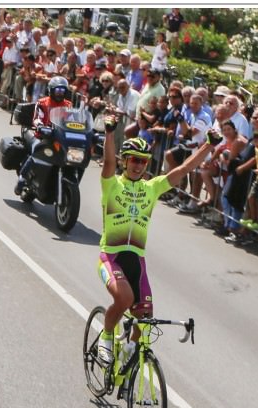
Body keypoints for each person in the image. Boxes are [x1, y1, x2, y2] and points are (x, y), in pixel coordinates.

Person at [95, 116, 221, 365]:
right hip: (111, 257)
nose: (138, 166)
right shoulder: (112, 186)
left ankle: (129, 351)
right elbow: (108, 162)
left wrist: (208, 145)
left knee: (146, 319)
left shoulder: (151, 188)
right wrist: (110, 132)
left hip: (137, 261)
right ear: (125, 161)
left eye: (143, 162)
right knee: (124, 300)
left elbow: (183, 170)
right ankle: (106, 336)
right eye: (134, 160)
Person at [15, 76, 72, 195]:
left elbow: (72, 120)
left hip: (60, 138)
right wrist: (40, 125)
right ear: (51, 90)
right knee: (37, 150)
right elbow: (37, 118)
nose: (60, 93)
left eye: (62, 90)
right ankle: (22, 178)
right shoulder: (43, 102)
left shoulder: (68, 105)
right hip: (42, 136)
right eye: (57, 90)